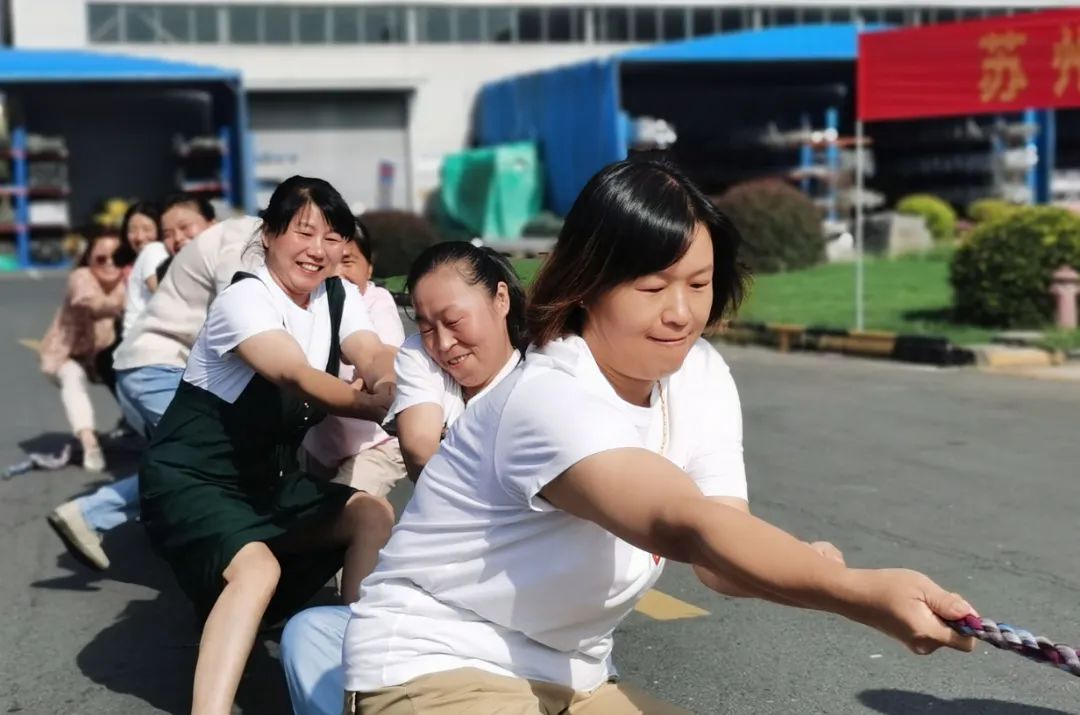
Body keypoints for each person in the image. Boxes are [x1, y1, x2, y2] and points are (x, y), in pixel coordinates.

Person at [340, 160, 978, 714]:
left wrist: (804, 565)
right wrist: (859, 592)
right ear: (588, 283)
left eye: (698, 284)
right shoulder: (548, 393)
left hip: (574, 673)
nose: (680, 313)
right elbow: (683, 523)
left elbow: (718, 557)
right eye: (651, 287)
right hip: (438, 656)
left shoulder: (699, 374)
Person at [139, 176, 398, 715]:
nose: (318, 249)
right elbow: (295, 374)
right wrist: (372, 407)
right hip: (193, 480)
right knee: (258, 569)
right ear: (269, 234)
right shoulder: (245, 298)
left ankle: (357, 677)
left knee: (371, 514)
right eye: (304, 232)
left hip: (266, 484)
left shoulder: (337, 296)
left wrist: (391, 385)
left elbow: (371, 351)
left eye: (333, 238)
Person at [281, 241, 527, 715]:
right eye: (427, 325)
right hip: (428, 604)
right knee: (308, 634)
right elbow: (417, 446)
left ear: (501, 298)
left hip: (507, 618)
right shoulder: (419, 356)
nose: (443, 344)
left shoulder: (540, 380)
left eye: (454, 321)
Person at [46, 213, 249, 572]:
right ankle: (93, 513)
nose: (176, 237)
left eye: (184, 228)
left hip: (149, 369)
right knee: (204, 460)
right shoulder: (188, 252)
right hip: (155, 369)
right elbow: (233, 316)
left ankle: (145, 527)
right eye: (168, 231)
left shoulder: (191, 255)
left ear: (210, 221)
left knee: (192, 464)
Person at [39, 225, 126, 473]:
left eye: (117, 257)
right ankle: (89, 443)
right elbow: (89, 303)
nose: (109, 263)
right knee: (72, 377)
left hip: (105, 357)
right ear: (88, 259)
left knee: (133, 379)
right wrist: (126, 302)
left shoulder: (130, 277)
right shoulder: (81, 277)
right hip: (66, 354)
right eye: (101, 258)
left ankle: (134, 425)